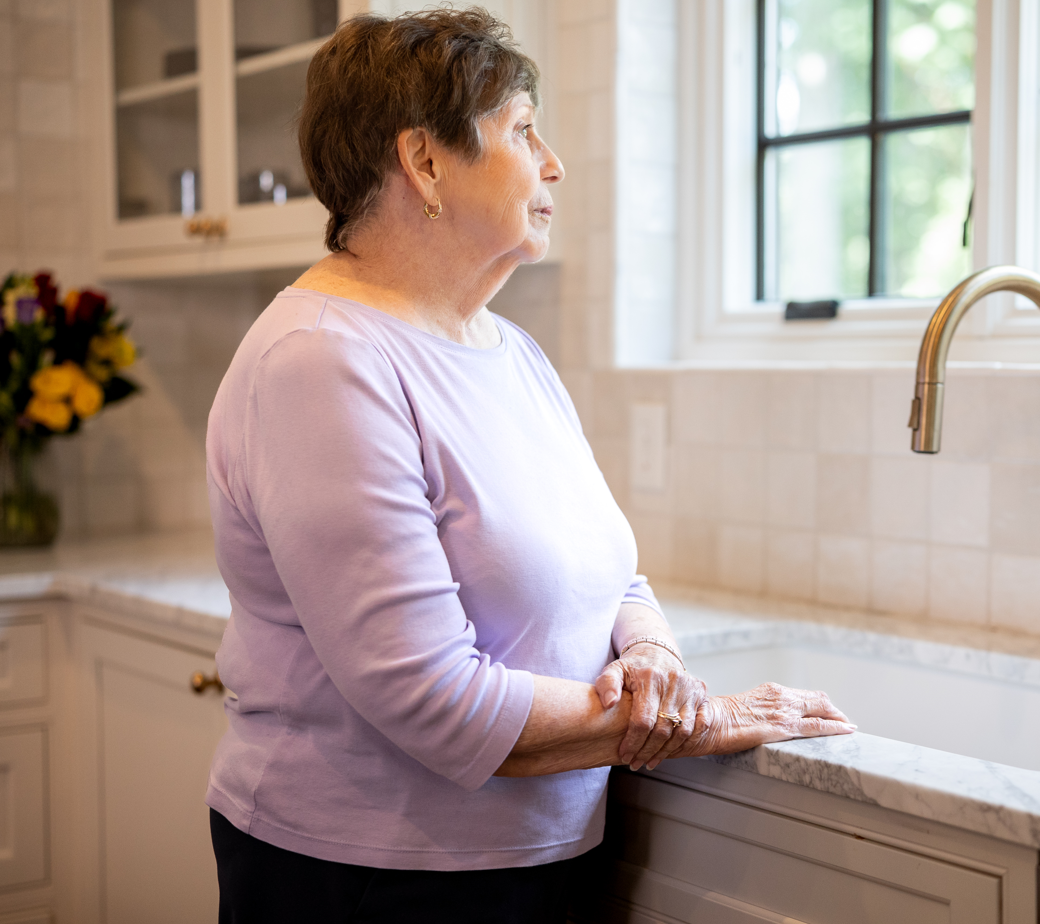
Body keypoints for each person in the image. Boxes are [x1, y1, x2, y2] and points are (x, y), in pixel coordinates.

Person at [203, 9, 854, 923]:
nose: (552, 163)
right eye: (521, 130)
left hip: (542, 853)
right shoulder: (319, 362)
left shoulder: (509, 350)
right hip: (368, 879)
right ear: (425, 162)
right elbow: (434, 699)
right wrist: (692, 722)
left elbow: (612, 570)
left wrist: (658, 659)